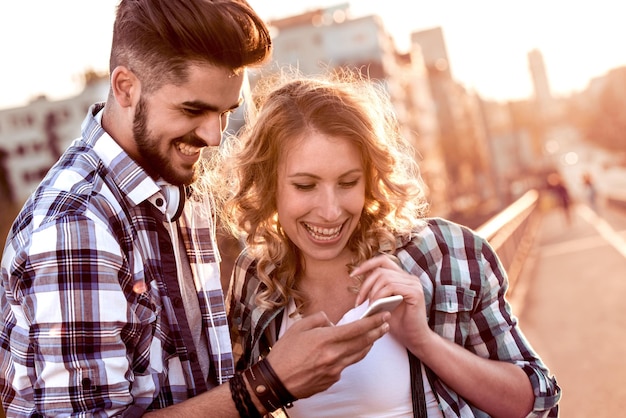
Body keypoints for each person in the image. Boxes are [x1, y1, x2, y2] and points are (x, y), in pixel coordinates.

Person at [0, 2, 390, 416]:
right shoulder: (75, 228)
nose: (214, 136)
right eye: (193, 110)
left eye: (225, 113)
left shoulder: (173, 182)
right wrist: (270, 382)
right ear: (125, 87)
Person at [223, 73, 562, 417]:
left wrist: (423, 341)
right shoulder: (255, 277)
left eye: (348, 182)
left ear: (370, 178)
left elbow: (537, 403)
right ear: (269, 185)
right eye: (306, 186)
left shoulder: (445, 252)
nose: (329, 211)